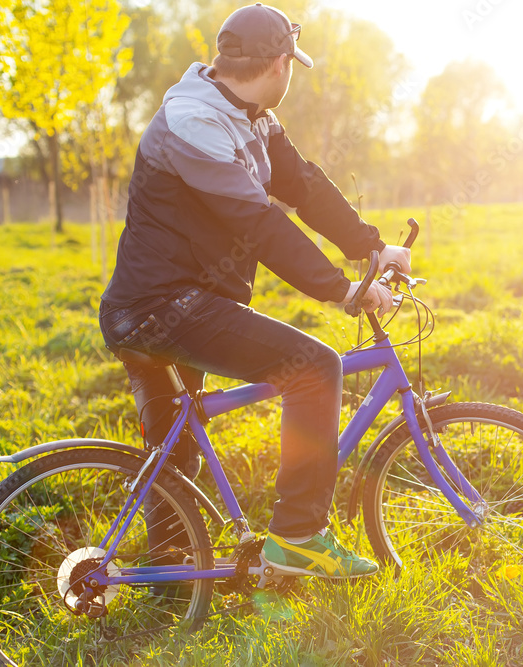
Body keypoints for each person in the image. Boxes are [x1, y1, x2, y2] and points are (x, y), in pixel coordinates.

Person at [98, 2, 410, 579]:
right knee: (314, 367)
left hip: (154, 306)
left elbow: (303, 184)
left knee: (174, 459)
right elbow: (258, 224)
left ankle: (170, 586)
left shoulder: (250, 115)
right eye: (292, 65)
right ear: (280, 64)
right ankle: (298, 538)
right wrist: (340, 290)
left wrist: (370, 246)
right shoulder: (194, 123)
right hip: (164, 310)